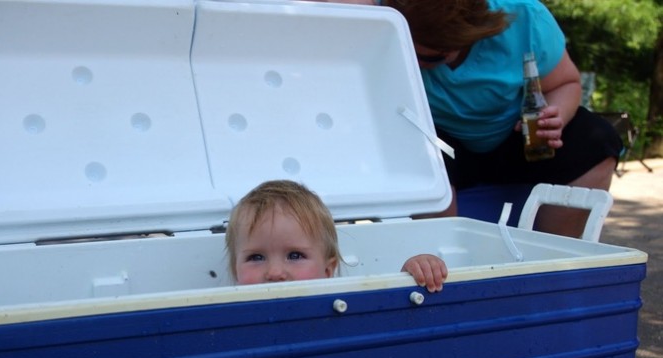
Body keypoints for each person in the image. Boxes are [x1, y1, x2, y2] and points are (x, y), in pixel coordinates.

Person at [380, 0, 622, 238]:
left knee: (597, 139)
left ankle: (553, 255)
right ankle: (441, 261)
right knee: (414, 151)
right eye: (408, 51)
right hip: (437, 140)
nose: (419, 65)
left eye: (430, 59)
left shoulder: (526, 17)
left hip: (516, 137)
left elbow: (565, 83)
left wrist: (556, 113)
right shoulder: (377, 14)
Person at [225, 180, 448, 291]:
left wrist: (411, 277)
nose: (274, 273)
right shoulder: (224, 320)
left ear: (328, 270)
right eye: (255, 257)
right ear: (236, 269)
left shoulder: (343, 308)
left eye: (294, 255)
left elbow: (386, 318)